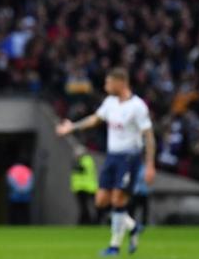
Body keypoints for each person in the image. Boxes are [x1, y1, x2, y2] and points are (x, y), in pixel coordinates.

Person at [56, 67, 156, 256]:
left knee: (118, 199)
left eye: (109, 82)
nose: (106, 86)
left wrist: (150, 164)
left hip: (129, 157)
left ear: (121, 82)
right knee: (101, 201)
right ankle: (133, 226)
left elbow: (149, 136)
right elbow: (95, 119)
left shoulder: (138, 106)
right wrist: (73, 127)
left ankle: (114, 247)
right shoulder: (110, 102)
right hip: (112, 157)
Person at [70, 144, 98, 225]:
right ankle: (86, 222)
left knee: (91, 207)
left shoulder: (87, 160)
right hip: (79, 188)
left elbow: (80, 169)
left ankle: (90, 222)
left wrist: (75, 162)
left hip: (88, 187)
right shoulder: (80, 160)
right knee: (83, 207)